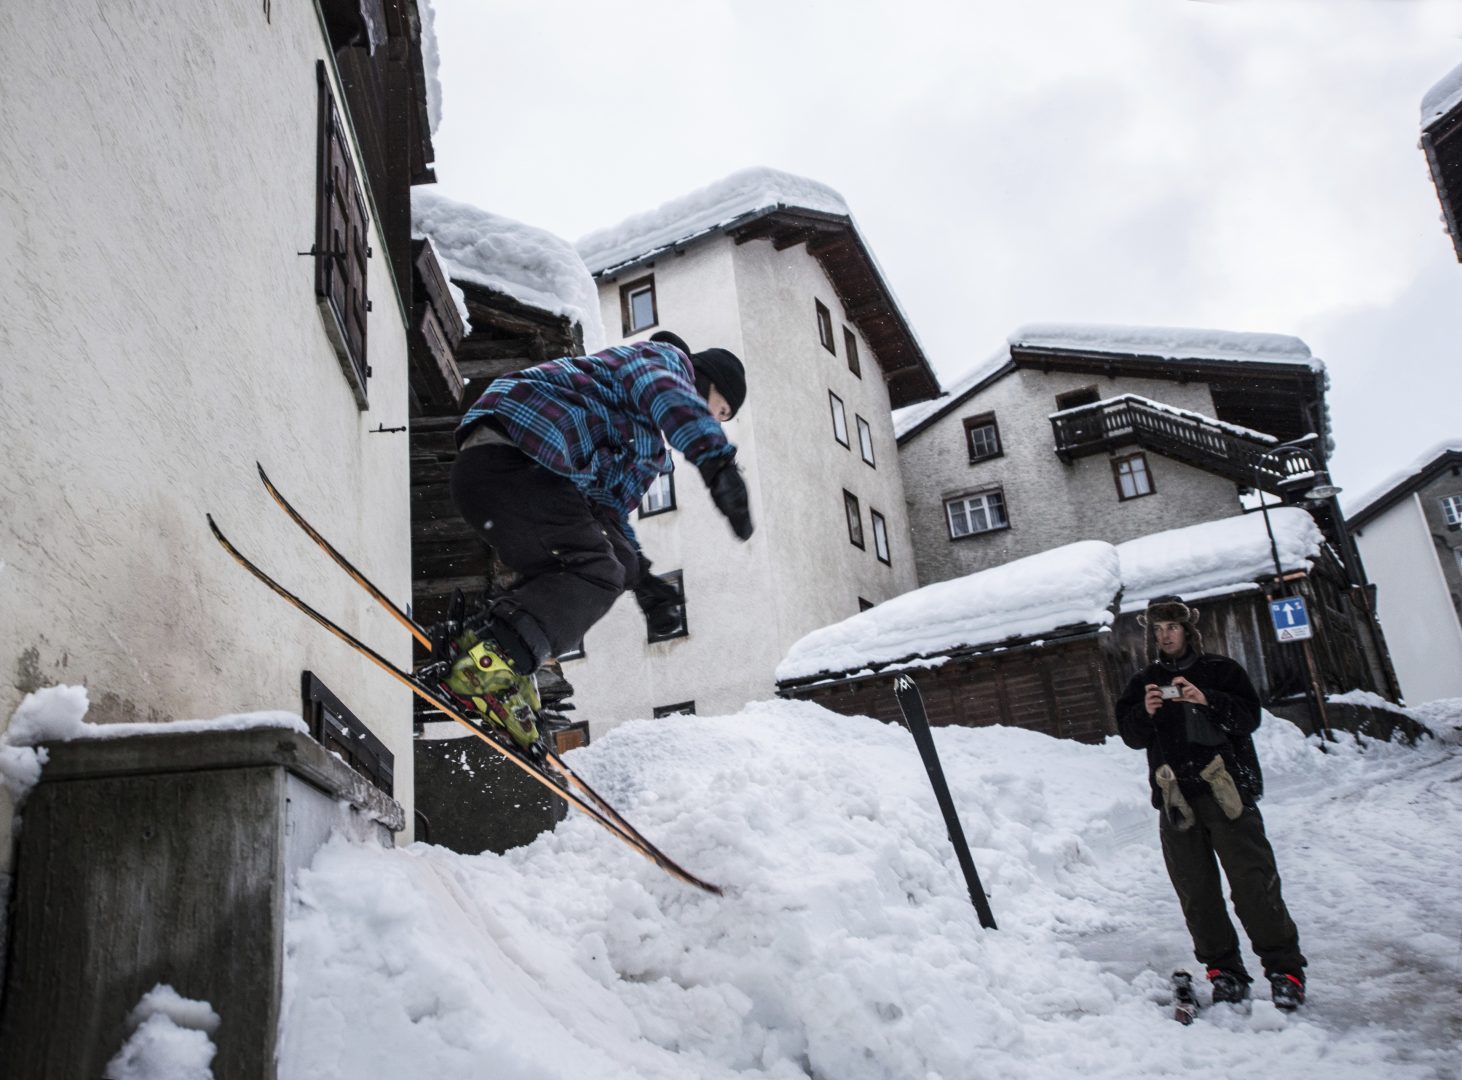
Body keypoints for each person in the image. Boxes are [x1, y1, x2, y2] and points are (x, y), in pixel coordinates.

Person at [439, 330, 753, 750]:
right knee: (598, 571)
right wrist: (717, 464)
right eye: (721, 410)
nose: (714, 419)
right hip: (518, 454)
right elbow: (664, 392)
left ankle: (492, 650)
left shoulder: (646, 451)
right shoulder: (662, 361)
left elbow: (606, 513)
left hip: (497, 480)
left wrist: (644, 582)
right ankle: (493, 656)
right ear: (707, 381)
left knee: (601, 567)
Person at [1115, 595, 1308, 1010]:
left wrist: (1206, 700)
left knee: (1254, 884)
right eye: (1159, 629)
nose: (1165, 635)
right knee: (1197, 892)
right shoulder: (1143, 681)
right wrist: (1145, 712)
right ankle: (1225, 972)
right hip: (1176, 799)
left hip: (1228, 793)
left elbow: (1249, 719)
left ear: (1188, 630)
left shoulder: (1221, 671)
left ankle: (1284, 971)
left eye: (1173, 627)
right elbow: (1130, 735)